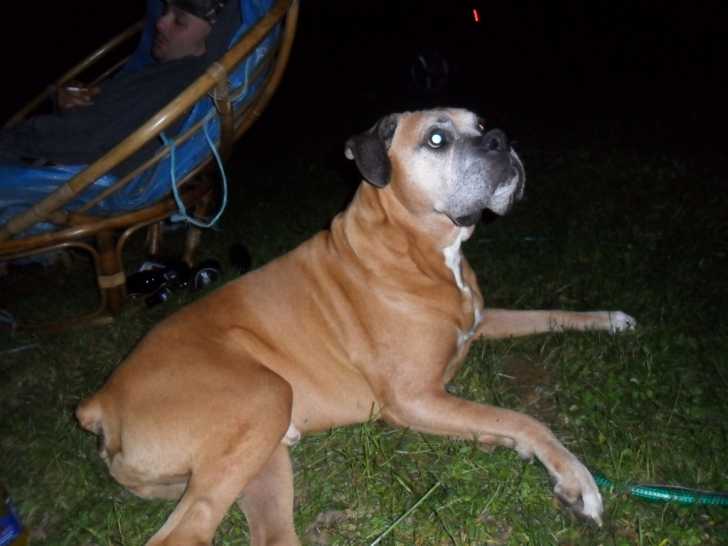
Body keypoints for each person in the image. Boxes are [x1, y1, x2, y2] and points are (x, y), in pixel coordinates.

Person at [0, 0, 241, 176]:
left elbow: (92, 144)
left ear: (211, 41)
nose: (160, 23)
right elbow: (106, 123)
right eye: (165, 10)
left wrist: (15, 138)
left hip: (46, 169)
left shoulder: (179, 86)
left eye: (179, 21)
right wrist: (73, 103)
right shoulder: (161, 73)